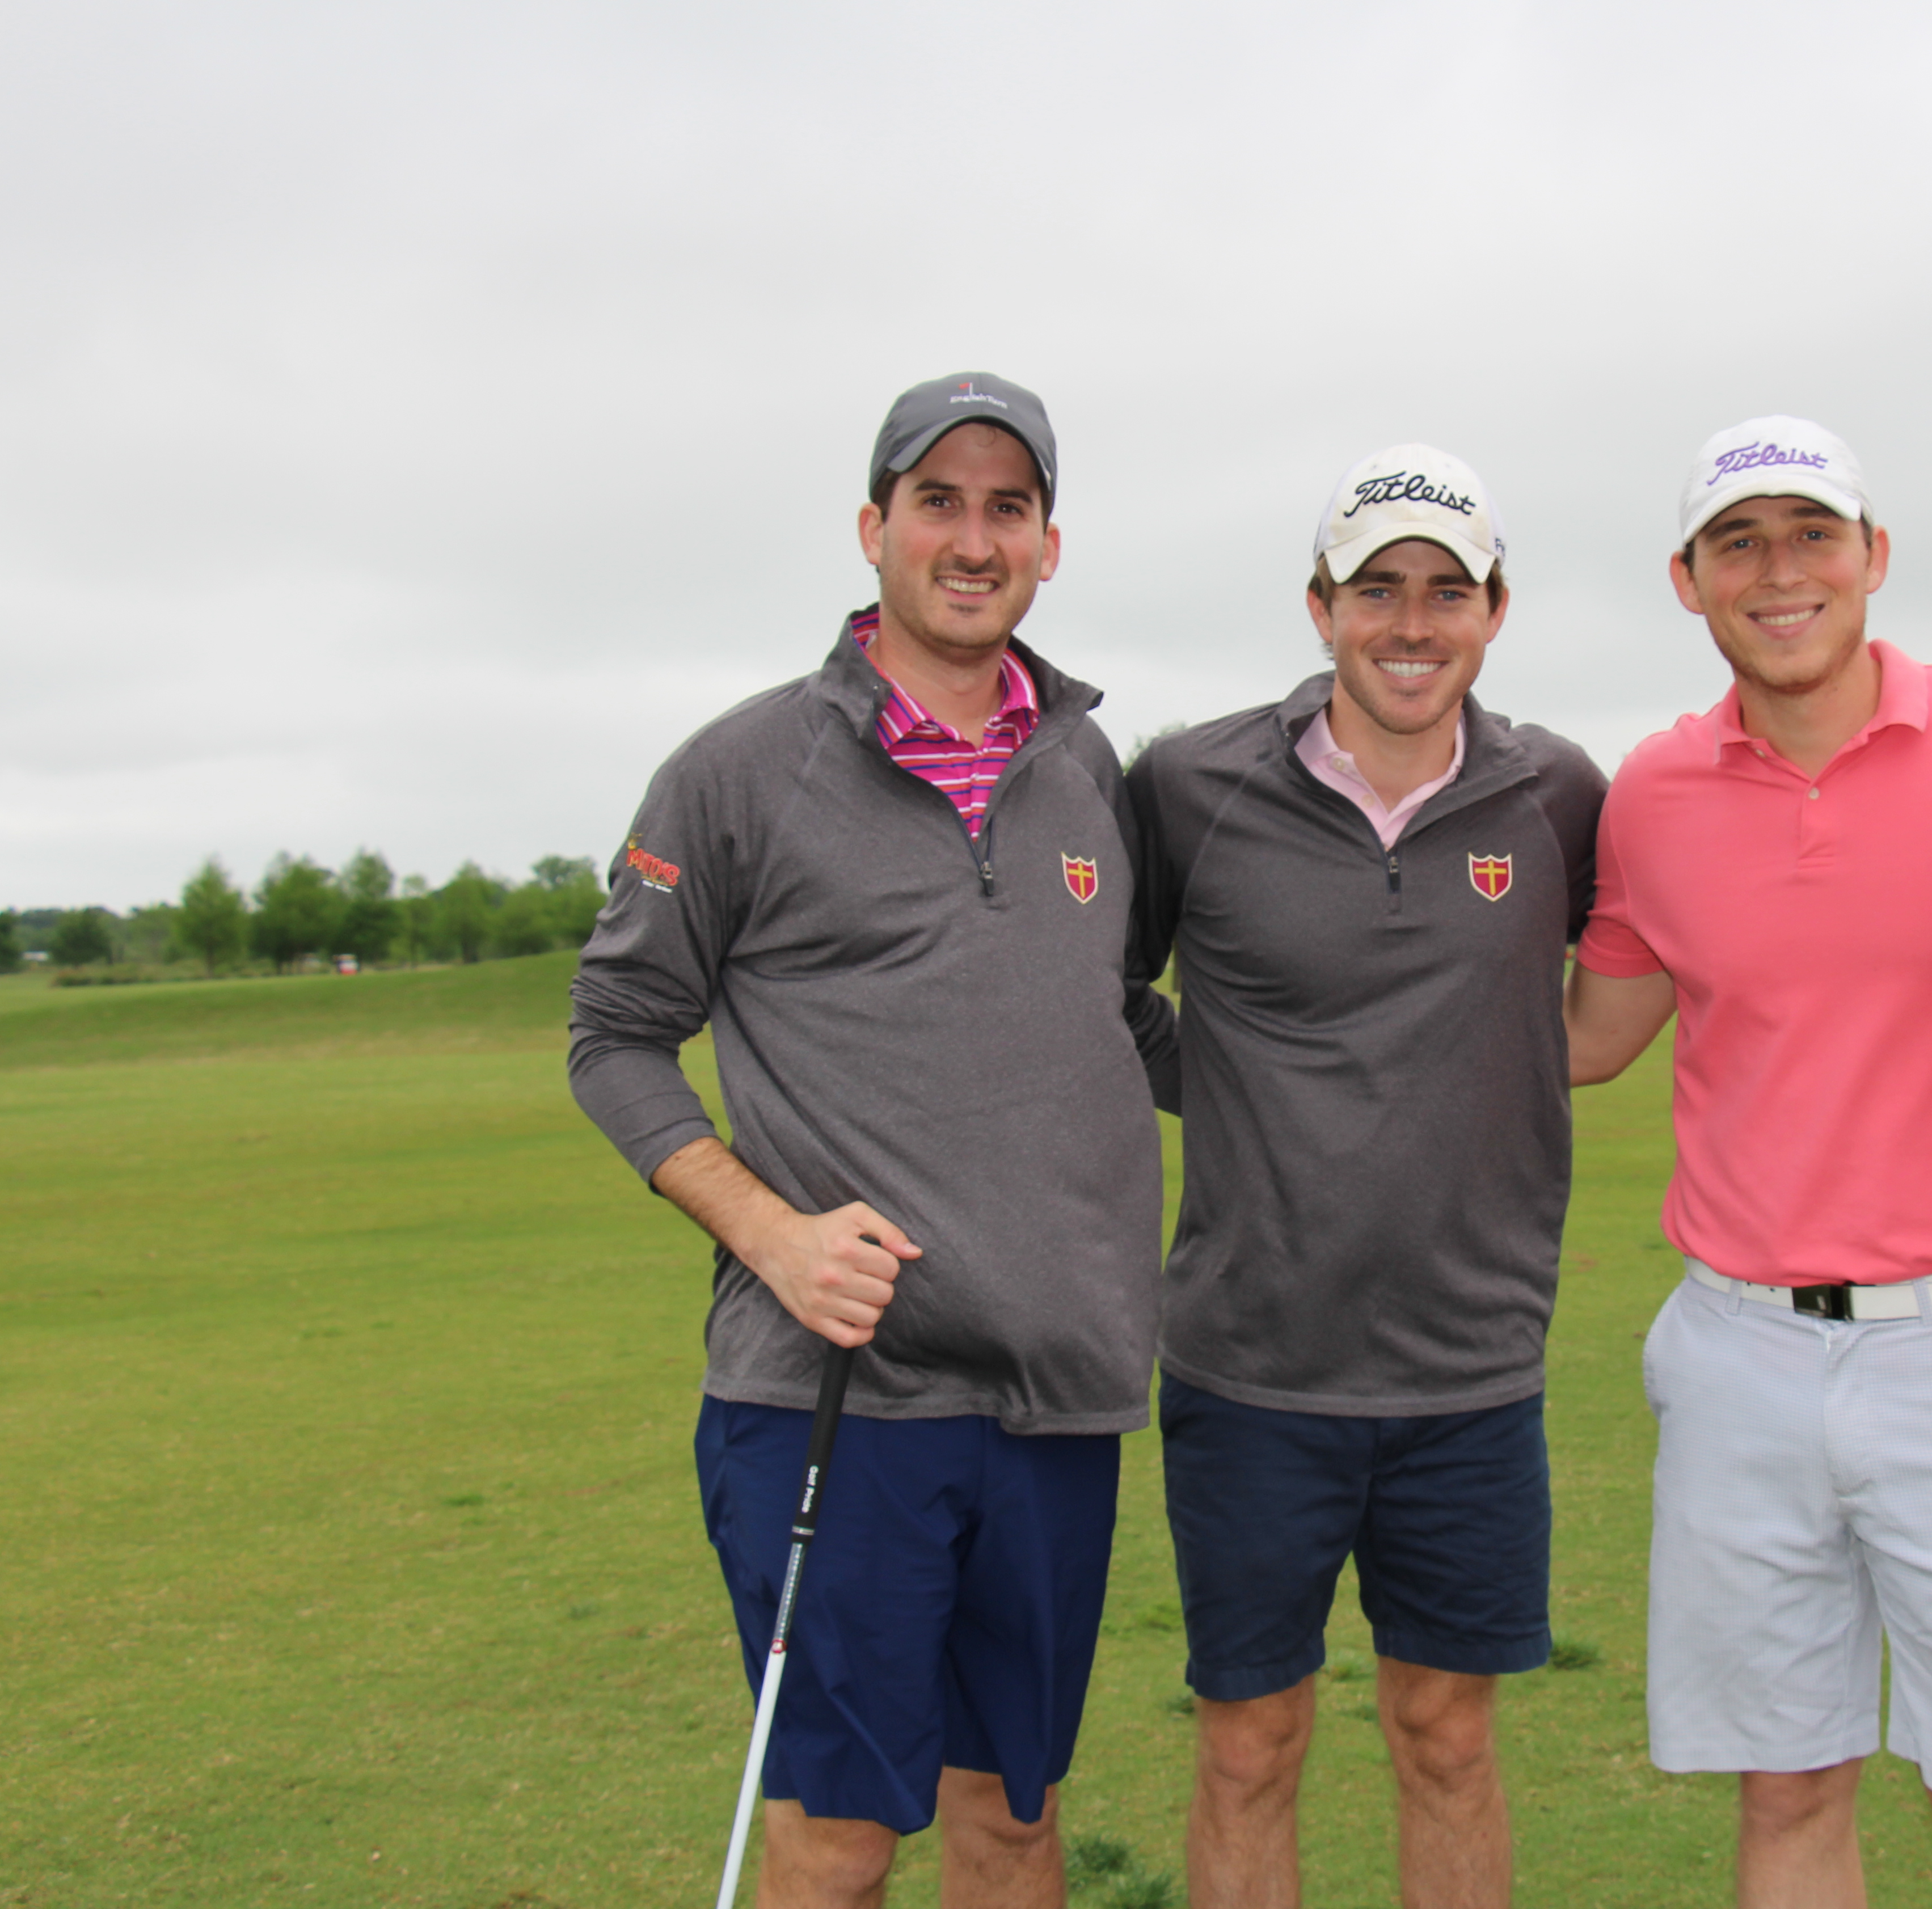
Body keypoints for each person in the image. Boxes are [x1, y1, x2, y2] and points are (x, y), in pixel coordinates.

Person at [567, 372, 1176, 1909]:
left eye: (1007, 508)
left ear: (1049, 545)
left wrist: (1351, 1070)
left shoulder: (1085, 770)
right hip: (836, 1403)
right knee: (839, 1843)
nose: (972, 540)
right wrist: (769, 1234)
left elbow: (1115, 1015)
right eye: (937, 502)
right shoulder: (737, 771)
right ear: (873, 528)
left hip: (1057, 1400)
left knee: (1016, 1821)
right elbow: (615, 1032)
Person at [1564, 416, 1932, 1909]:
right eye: (1738, 544)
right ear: (1688, 580)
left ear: (1875, 556)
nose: (1779, 572)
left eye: (1812, 535)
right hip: (1739, 1352)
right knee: (1786, 1788)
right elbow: (1591, 1038)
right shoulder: (1653, 792)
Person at [1125, 445, 1605, 1909]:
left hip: (1471, 1373)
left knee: (1448, 1739)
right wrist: (1230, 1083)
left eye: (1448, 592)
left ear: (1496, 612)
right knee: (1248, 1746)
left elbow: (1625, 982)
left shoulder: (1556, 794)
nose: (1412, 623)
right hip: (1251, 1367)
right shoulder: (1192, 785)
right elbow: (1098, 989)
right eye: (1377, 588)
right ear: (1321, 605)